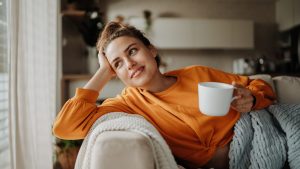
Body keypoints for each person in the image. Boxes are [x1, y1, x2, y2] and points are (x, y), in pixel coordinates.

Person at [53, 21, 275, 169]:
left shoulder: (198, 73)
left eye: (132, 51)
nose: (130, 64)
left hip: (257, 139)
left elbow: (259, 85)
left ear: (151, 50)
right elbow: (65, 127)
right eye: (118, 64)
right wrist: (102, 72)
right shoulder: (128, 103)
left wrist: (252, 98)